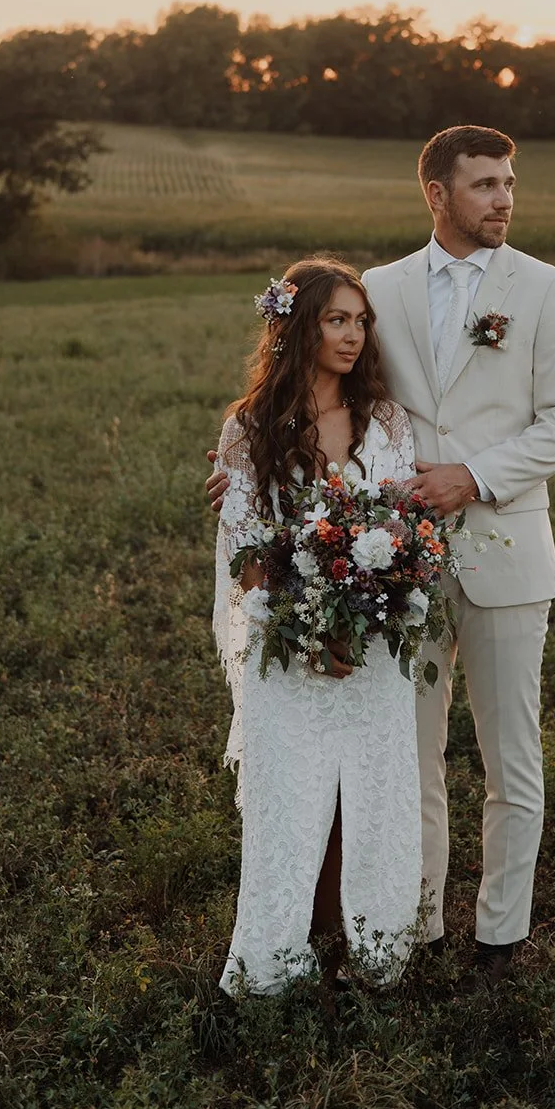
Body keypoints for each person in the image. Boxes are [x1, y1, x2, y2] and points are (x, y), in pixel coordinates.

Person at [208, 126, 555, 986]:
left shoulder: (543, 288)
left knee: (509, 756)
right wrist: (242, 463)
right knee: (405, 760)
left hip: (504, 544)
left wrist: (475, 476)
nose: (502, 198)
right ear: (437, 194)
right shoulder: (376, 288)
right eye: (484, 184)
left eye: (508, 183)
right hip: (387, 571)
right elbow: (324, 397)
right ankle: (407, 929)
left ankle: (501, 933)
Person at [212, 255, 423, 996]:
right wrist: (306, 628)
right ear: (297, 326)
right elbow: (246, 552)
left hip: (370, 650)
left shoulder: (385, 421)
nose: (353, 336)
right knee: (286, 808)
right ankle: (271, 965)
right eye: (336, 319)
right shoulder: (248, 428)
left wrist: (368, 611)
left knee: (377, 798)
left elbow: (401, 530)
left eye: (360, 321)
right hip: (289, 647)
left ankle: (375, 955)